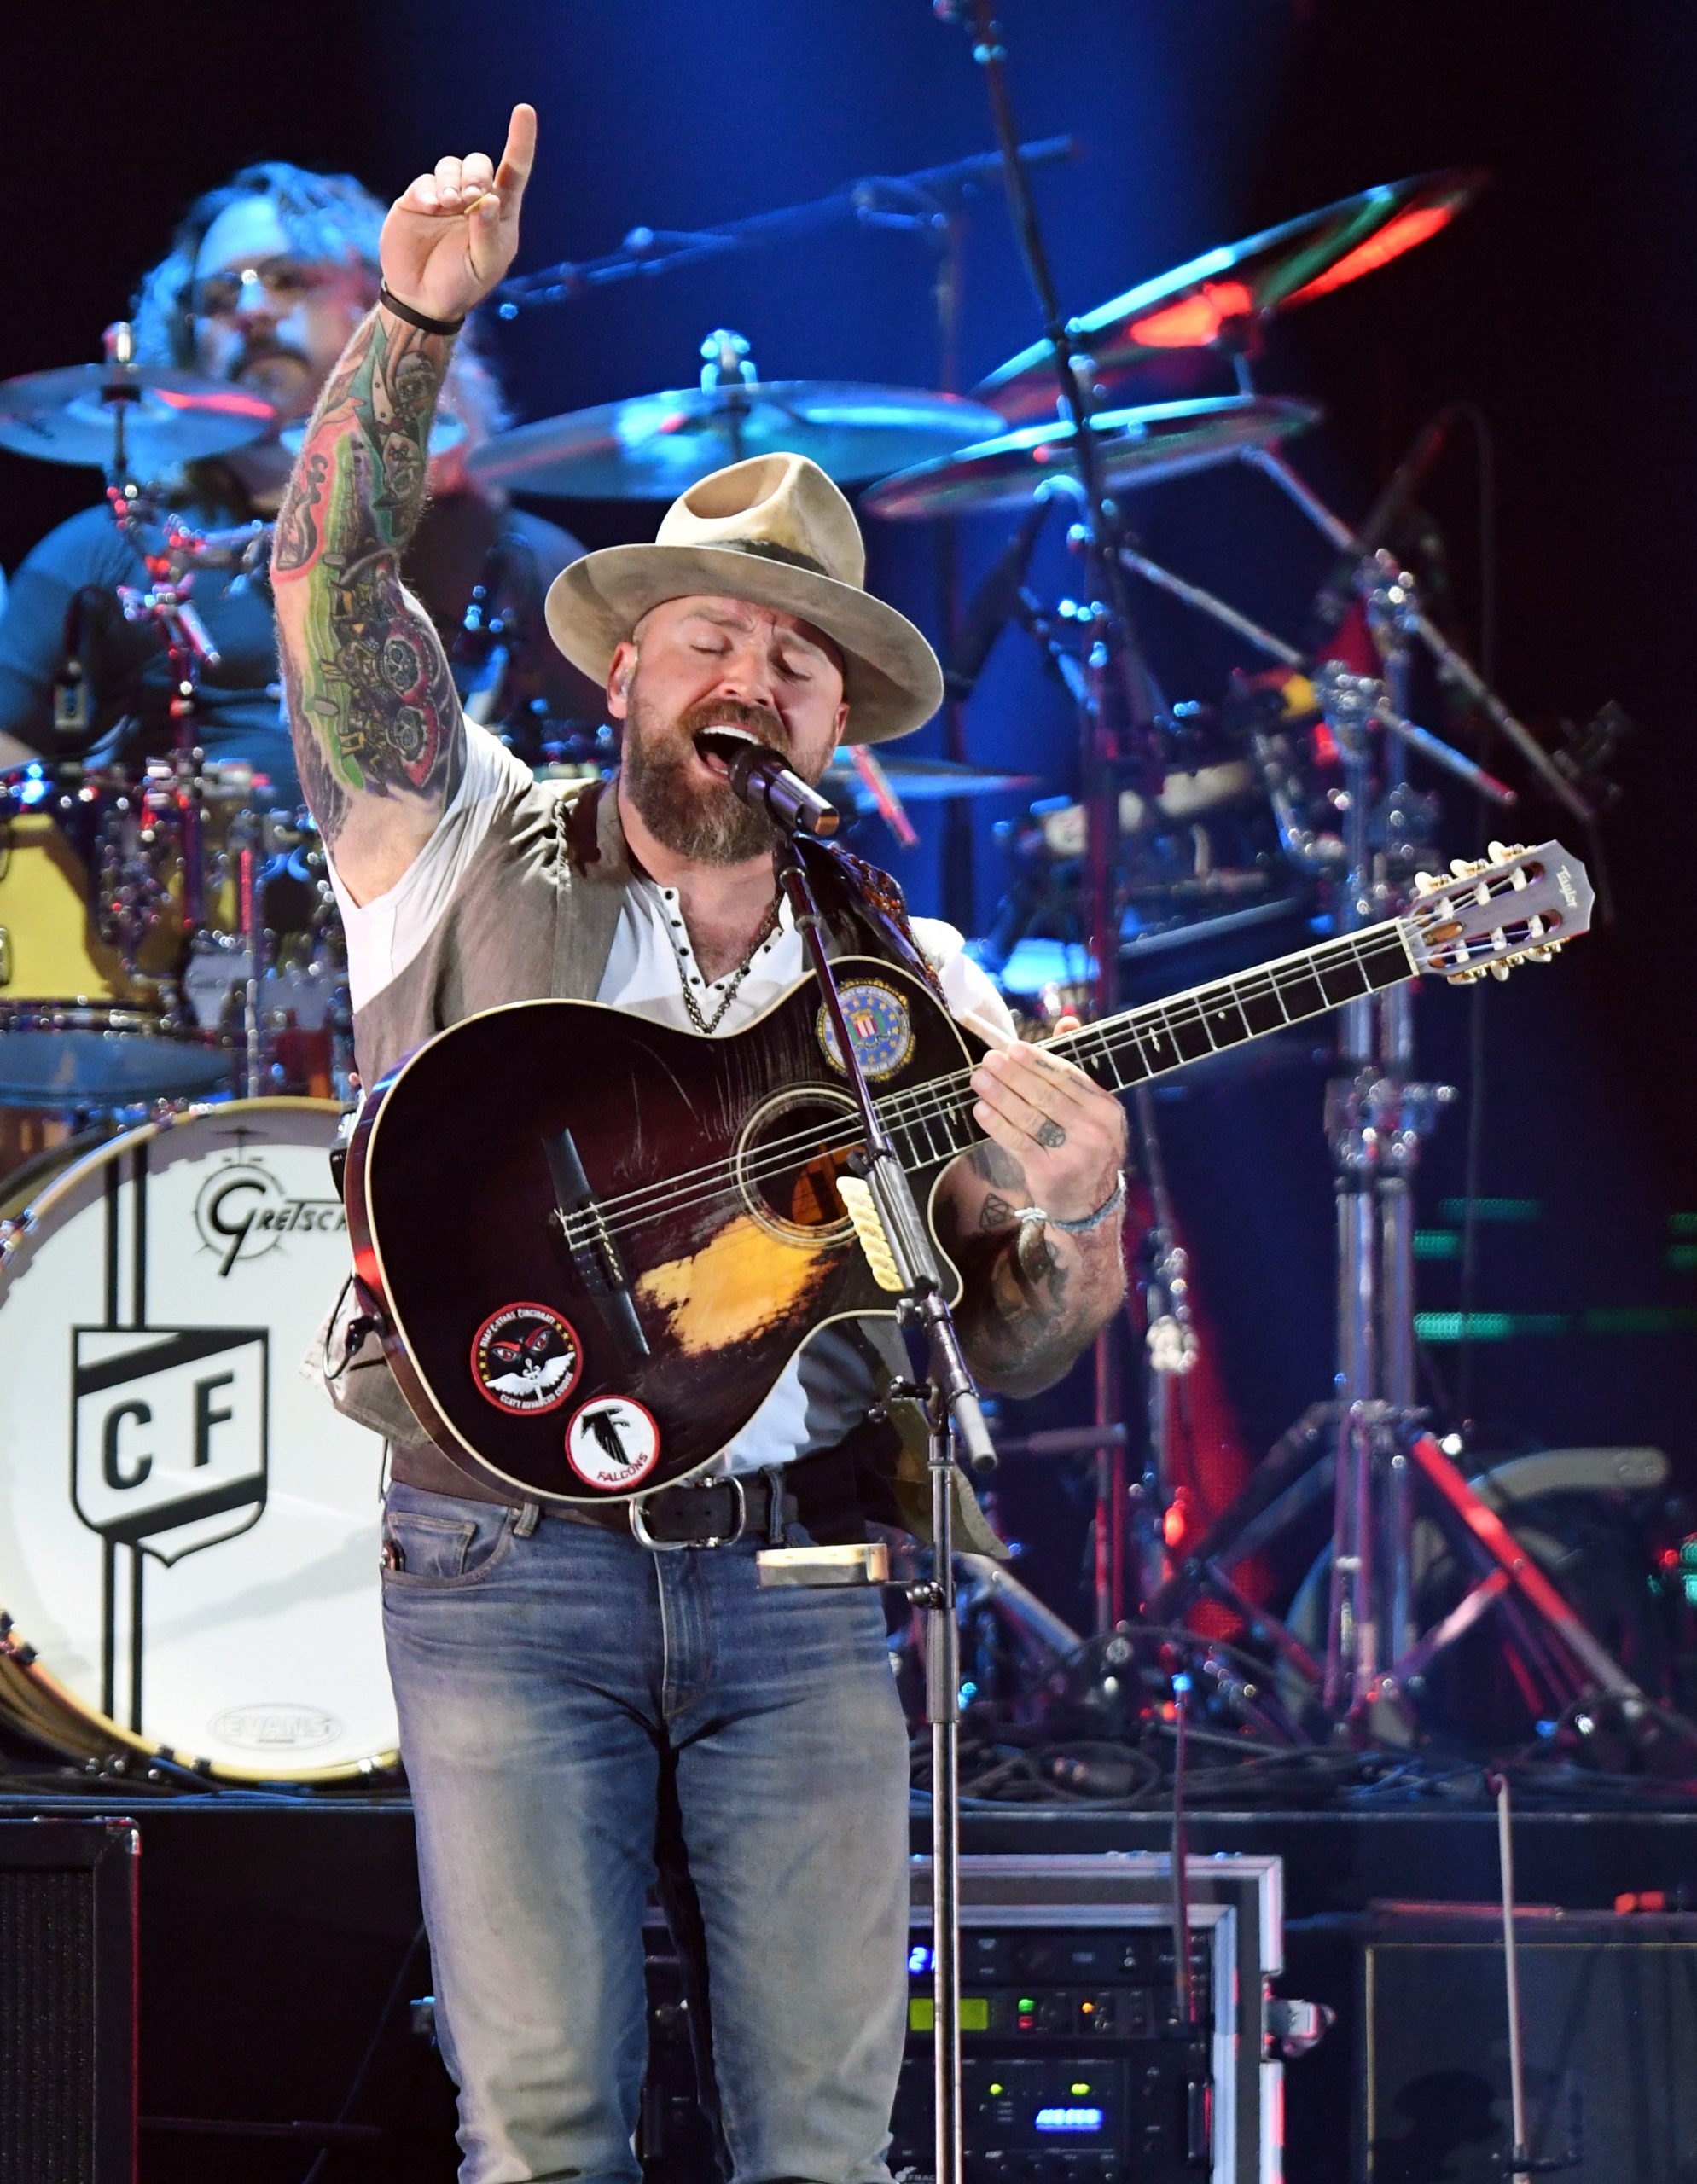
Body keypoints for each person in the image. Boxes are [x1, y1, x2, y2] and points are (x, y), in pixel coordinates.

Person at [277, 105, 1130, 2184]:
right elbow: (328, 585)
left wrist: (1077, 1213)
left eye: (796, 658)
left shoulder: (910, 975)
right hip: (500, 1566)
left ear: (835, 724)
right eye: (711, 636)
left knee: (826, 2147)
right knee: (545, 2136)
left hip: (807, 1582)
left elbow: (1011, 1340)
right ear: (625, 670)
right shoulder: (454, 838)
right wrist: (410, 328)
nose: (751, 673)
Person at [0, 160, 593, 802]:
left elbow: (613, 771)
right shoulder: (109, 552)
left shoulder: (517, 555)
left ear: (383, 301)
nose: (251, 311)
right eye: (218, 298)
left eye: (286, 279)